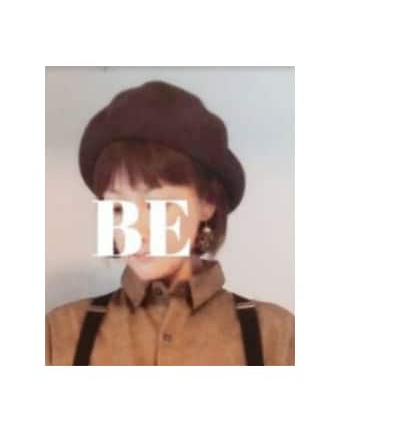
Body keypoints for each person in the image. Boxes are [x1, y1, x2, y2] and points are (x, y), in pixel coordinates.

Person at [46, 80, 294, 365]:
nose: (135, 231)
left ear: (207, 204)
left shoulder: (277, 335)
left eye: (158, 206)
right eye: (117, 208)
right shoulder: (60, 333)